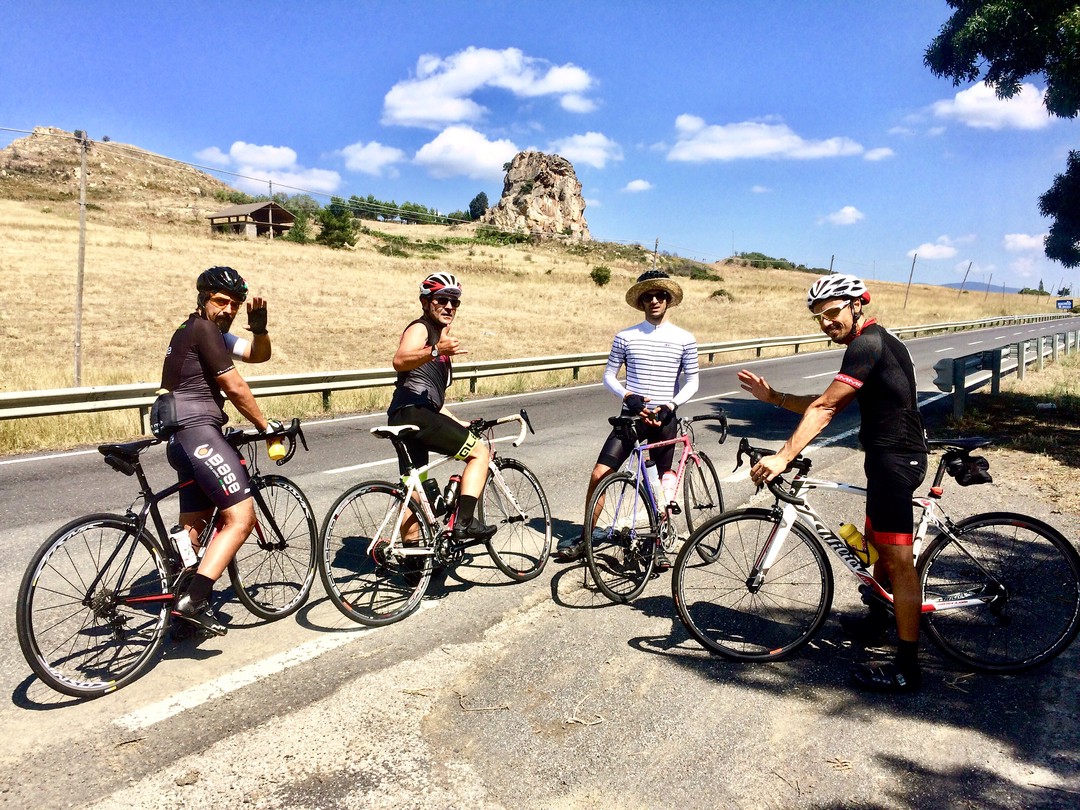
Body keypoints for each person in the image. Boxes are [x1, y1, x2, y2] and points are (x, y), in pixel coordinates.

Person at [736, 273, 928, 693]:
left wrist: (783, 456)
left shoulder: (868, 344)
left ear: (858, 304)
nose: (826, 323)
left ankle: (907, 668)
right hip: (885, 458)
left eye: (832, 312)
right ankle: (879, 620)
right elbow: (830, 401)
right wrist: (774, 398)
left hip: (897, 460)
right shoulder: (871, 344)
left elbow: (825, 409)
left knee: (898, 561)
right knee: (876, 544)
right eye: (819, 317)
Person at [162, 266, 277, 636]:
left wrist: (258, 330)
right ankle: (193, 601)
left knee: (194, 526)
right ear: (203, 299)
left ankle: (179, 609)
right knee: (240, 519)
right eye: (221, 301)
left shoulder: (194, 332)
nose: (229, 309)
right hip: (199, 434)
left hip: (179, 439)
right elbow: (235, 386)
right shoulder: (204, 330)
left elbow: (258, 356)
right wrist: (265, 425)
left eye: (235, 304)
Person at [557, 269, 700, 567]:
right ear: (641, 302)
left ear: (669, 299)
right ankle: (586, 538)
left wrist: (671, 405)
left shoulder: (685, 339)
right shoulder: (626, 337)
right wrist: (628, 397)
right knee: (599, 474)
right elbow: (608, 376)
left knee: (659, 484)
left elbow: (693, 382)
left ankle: (657, 543)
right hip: (630, 418)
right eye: (647, 296)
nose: (654, 300)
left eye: (660, 295)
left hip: (664, 418)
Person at [386, 272, 495, 541]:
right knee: (480, 453)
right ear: (426, 302)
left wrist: (459, 423)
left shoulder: (438, 337)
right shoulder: (421, 329)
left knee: (414, 486)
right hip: (416, 415)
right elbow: (399, 360)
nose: (449, 306)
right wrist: (436, 350)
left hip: (407, 415)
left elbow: (433, 400)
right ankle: (465, 523)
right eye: (442, 299)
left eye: (454, 302)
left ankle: (412, 559)